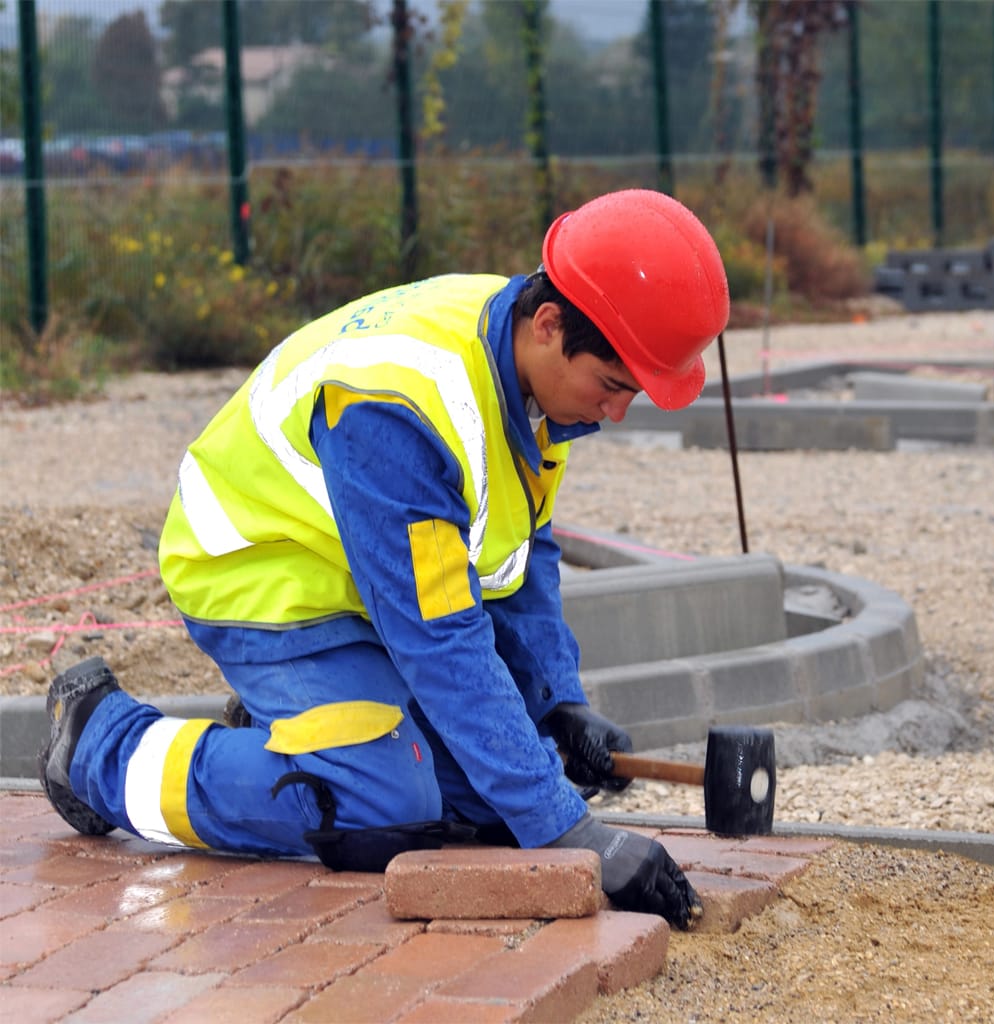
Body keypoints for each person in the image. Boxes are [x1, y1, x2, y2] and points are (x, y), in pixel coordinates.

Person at [39, 189, 729, 930]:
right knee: (382, 807)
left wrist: (557, 699)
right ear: (550, 324)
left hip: (371, 592)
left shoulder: (524, 365)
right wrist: (572, 835)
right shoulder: (403, 405)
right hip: (265, 576)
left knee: (496, 801)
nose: (617, 413)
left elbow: (519, 551)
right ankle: (101, 745)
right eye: (613, 385)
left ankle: (304, 733)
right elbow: (438, 640)